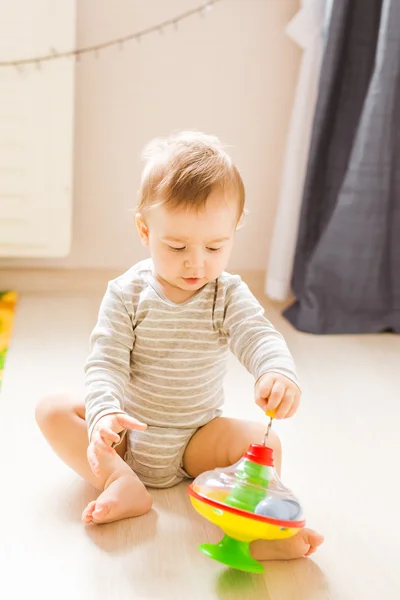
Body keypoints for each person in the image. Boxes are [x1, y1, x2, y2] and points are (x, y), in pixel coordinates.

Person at [36, 131, 323, 560]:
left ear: (234, 230)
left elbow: (258, 336)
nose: (196, 262)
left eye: (214, 246)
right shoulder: (126, 293)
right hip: (128, 436)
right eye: (176, 246)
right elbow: (105, 364)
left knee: (266, 445)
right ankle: (119, 481)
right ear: (144, 230)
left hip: (197, 439)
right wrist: (104, 415)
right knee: (52, 409)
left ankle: (256, 529)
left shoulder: (226, 294)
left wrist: (276, 372)